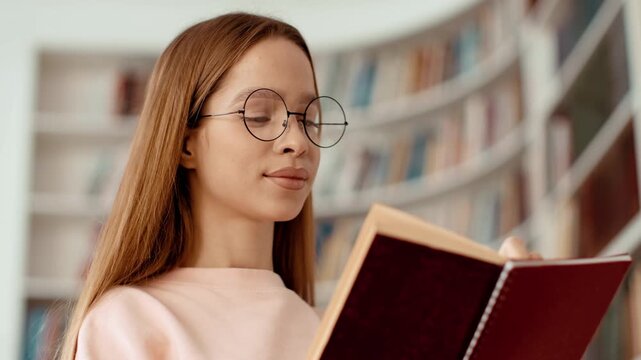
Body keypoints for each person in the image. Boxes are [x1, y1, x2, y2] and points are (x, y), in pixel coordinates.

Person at [59, 12, 541, 360]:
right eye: (259, 115)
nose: (298, 142)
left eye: (309, 117)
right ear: (185, 143)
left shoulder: (325, 331)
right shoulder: (128, 321)